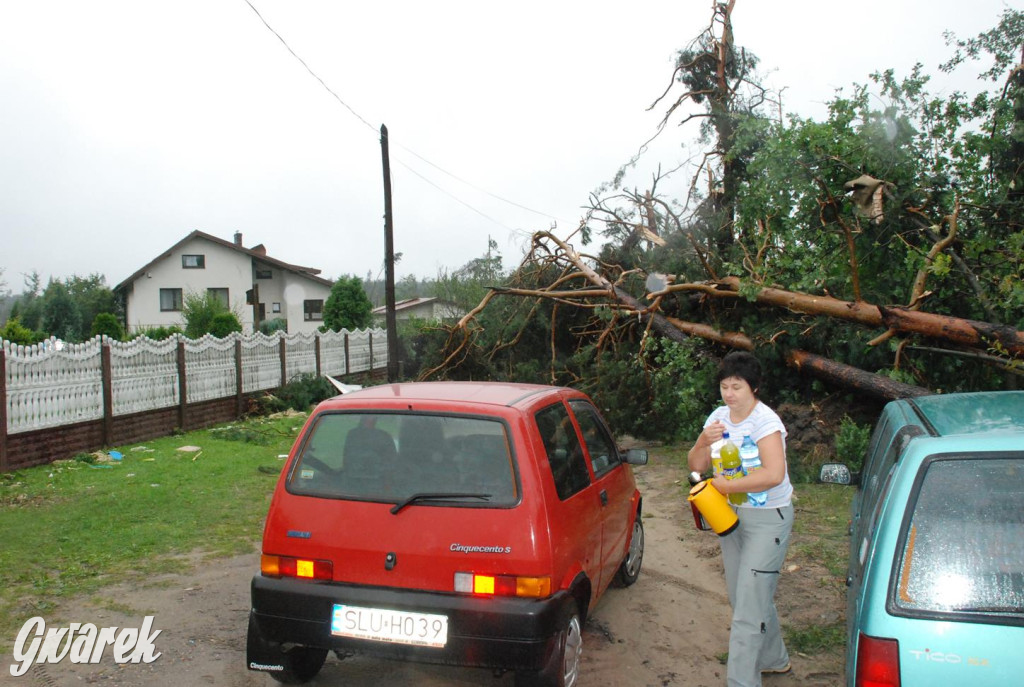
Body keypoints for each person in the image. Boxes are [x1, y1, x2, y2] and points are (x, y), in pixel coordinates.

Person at [687, 351, 794, 687]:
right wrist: (703, 441)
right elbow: (695, 465)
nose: (729, 394)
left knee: (748, 611)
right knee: (743, 595)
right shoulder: (718, 417)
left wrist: (726, 484)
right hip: (729, 517)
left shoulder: (765, 422)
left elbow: (774, 474)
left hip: (768, 520)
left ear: (755, 387)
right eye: (724, 386)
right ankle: (774, 659)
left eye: (737, 387)